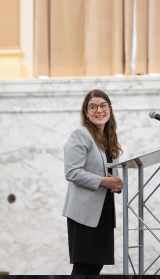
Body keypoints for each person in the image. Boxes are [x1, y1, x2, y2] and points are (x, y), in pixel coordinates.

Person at [63, 89, 123, 275]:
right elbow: (72, 172)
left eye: (103, 105)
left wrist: (117, 185)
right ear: (86, 112)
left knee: (95, 266)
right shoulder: (80, 134)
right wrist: (104, 182)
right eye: (93, 107)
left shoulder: (108, 138)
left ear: (110, 109)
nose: (99, 110)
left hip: (103, 211)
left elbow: (109, 173)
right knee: (84, 268)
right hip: (84, 215)